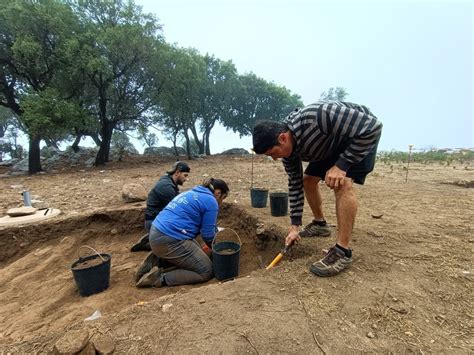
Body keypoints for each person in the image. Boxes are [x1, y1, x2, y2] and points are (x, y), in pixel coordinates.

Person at [252, 101, 382, 277]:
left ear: (283, 138)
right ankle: (320, 224)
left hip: (359, 138)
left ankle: (342, 251)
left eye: (273, 153)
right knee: (307, 180)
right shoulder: (289, 153)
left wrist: (342, 165)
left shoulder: (318, 116)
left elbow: (372, 127)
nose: (275, 159)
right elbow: (295, 184)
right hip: (329, 145)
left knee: (342, 183)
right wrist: (294, 226)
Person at [136, 177, 230, 288]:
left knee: (197, 252)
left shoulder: (191, 193)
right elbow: (208, 235)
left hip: (156, 233)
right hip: (170, 239)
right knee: (205, 270)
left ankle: (157, 262)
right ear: (218, 193)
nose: (220, 203)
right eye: (222, 198)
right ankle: (158, 278)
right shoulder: (211, 201)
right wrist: (217, 250)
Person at [131, 161, 191, 252]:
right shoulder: (166, 186)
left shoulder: (169, 182)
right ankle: (149, 244)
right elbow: (179, 208)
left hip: (158, 219)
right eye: (185, 175)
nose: (186, 179)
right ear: (177, 172)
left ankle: (150, 237)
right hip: (154, 221)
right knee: (177, 242)